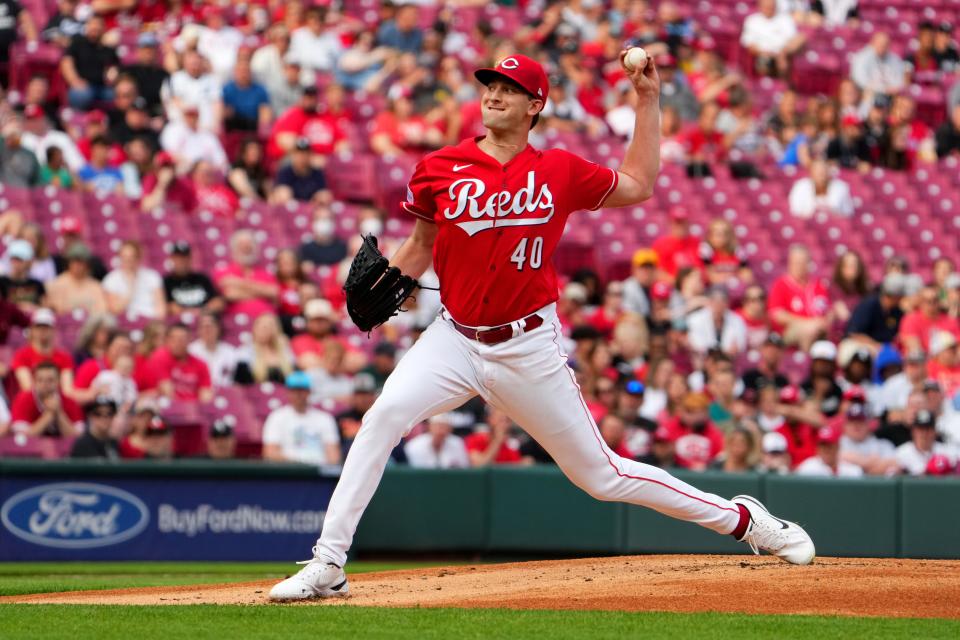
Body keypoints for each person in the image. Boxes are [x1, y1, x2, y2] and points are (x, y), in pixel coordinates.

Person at [269, 52, 813, 602]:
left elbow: (640, 183)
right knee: (381, 417)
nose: (493, 94)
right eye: (489, 85)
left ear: (535, 105)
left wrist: (647, 101)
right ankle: (328, 562)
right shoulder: (439, 166)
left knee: (602, 477)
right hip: (453, 339)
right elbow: (420, 247)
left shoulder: (558, 169)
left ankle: (744, 520)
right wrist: (387, 282)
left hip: (527, 345)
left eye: (508, 87)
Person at [262, 371, 341, 465]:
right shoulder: (276, 417)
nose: (298, 394)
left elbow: (333, 456)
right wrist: (299, 463)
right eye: (294, 390)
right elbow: (270, 453)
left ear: (309, 392)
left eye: (302, 390)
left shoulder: (325, 419)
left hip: (318, 474)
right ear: (288, 392)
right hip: (288, 472)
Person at [767, 245, 831, 350]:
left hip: (818, 329)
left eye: (803, 262)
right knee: (808, 331)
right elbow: (777, 314)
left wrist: (824, 322)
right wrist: (808, 323)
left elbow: (826, 310)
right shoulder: (781, 284)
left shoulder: (818, 285)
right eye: (796, 262)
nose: (799, 266)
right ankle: (805, 363)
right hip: (789, 331)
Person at [213, 230, 279, 320]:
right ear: (233, 249)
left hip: (267, 320)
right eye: (242, 245)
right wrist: (263, 292)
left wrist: (238, 283)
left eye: (249, 245)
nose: (246, 248)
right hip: (237, 322)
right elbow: (230, 294)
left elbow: (274, 292)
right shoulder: (223, 271)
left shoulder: (266, 273)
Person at [9, 361, 83, 438]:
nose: (44, 384)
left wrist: (59, 412)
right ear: (34, 381)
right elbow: (24, 437)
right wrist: (49, 414)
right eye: (40, 380)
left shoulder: (70, 402)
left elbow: (76, 437)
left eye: (50, 380)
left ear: (58, 381)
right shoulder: (22, 400)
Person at [60, 16, 118, 110]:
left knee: (118, 96)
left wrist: (113, 75)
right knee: (81, 95)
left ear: (104, 29)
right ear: (87, 26)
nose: (95, 27)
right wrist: (74, 81)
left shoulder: (108, 49)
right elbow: (66, 62)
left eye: (99, 25)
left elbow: (115, 67)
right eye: (93, 24)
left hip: (102, 87)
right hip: (82, 85)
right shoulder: (78, 41)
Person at [145, 323, 213, 402]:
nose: (177, 343)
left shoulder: (201, 364)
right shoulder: (160, 357)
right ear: (167, 340)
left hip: (195, 409)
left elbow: (206, 394)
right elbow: (167, 391)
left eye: (182, 339)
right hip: (168, 407)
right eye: (174, 339)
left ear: (190, 339)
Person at [11, 307, 74, 393]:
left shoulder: (64, 357)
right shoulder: (22, 355)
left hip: (57, 400)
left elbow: (67, 389)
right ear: (32, 329)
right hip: (32, 401)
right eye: (39, 327)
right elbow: (27, 387)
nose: (42, 331)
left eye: (46, 327)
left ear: (53, 330)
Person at [740, 0, 805, 77]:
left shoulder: (785, 19)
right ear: (760, 6)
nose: (769, 8)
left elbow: (793, 39)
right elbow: (749, 44)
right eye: (767, 6)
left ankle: (785, 84)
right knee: (764, 60)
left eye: (771, 6)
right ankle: (765, 84)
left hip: (784, 53)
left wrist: (782, 53)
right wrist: (770, 54)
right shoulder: (752, 20)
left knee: (801, 38)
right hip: (764, 54)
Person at [103, 240, 165, 320]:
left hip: (150, 322)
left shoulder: (152, 277)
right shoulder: (111, 279)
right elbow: (115, 309)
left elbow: (161, 310)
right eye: (124, 257)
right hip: (124, 323)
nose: (128, 261)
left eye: (131, 257)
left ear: (139, 258)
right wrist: (131, 287)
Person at [845, 272, 905, 350]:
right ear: (894, 296)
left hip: (882, 348)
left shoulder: (897, 311)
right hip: (861, 345)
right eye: (900, 297)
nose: (902, 299)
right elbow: (853, 334)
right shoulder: (869, 305)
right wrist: (878, 346)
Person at [45, 243, 108, 315]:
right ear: (68, 263)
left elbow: (102, 310)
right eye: (74, 261)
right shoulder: (57, 283)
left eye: (80, 262)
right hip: (66, 323)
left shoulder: (95, 286)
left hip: (91, 323)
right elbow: (57, 310)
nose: (77, 265)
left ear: (87, 264)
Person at [163, 242, 224, 314]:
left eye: (185, 257)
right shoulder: (166, 282)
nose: (182, 261)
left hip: (204, 317)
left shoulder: (202, 278)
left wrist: (202, 311)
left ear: (190, 259)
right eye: (178, 258)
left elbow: (218, 301)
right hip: (180, 322)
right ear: (172, 259)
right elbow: (168, 307)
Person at [839, 403, 898, 475]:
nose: (856, 426)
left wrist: (857, 462)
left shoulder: (883, 444)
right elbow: (835, 458)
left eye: (860, 421)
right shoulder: (837, 444)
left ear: (868, 424)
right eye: (852, 422)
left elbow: (894, 464)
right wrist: (868, 462)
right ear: (845, 425)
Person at [899, 286, 960, 354]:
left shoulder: (950, 321)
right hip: (922, 361)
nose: (932, 304)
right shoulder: (910, 320)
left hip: (948, 361)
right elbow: (914, 348)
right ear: (920, 302)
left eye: (935, 300)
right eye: (928, 301)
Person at [895, 409, 954, 476]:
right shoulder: (902, 453)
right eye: (920, 429)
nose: (924, 434)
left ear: (935, 431)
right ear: (913, 431)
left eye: (928, 429)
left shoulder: (945, 452)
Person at [788, 159, 854, 218]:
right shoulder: (800, 186)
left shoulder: (841, 187)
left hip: (834, 223)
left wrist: (832, 213)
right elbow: (795, 211)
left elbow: (848, 212)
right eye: (818, 172)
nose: (822, 174)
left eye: (824, 171)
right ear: (811, 172)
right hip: (808, 224)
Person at [270, 138, 329, 205]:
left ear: (310, 155)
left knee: (324, 196)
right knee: (283, 193)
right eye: (299, 153)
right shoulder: (285, 172)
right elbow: (280, 193)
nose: (302, 157)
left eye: (305, 153)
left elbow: (323, 192)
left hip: (312, 208)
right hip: (291, 208)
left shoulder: (317, 172)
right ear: (293, 155)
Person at [188, 312, 240, 388]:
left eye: (210, 326)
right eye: (203, 327)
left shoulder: (231, 352)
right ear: (198, 330)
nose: (207, 330)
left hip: (226, 393)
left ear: (218, 328)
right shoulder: (190, 351)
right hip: (198, 393)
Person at [850, 32, 908, 98]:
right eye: (879, 44)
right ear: (872, 43)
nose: (882, 47)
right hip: (869, 94)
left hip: (890, 95)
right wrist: (883, 89)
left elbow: (900, 80)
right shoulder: (862, 58)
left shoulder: (894, 59)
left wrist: (893, 88)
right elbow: (860, 80)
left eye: (885, 44)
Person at [404, 413, 470, 469]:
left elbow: (463, 466)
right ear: (429, 427)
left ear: (450, 429)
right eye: (438, 426)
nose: (441, 430)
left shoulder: (457, 443)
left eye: (444, 427)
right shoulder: (414, 445)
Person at [795, 424, 864, 477]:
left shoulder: (851, 470)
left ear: (837, 446)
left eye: (829, 446)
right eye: (823, 446)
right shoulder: (808, 468)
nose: (826, 450)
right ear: (818, 448)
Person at [0, 239, 45, 312]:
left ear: (29, 261)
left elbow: (44, 306)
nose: (15, 263)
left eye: (19, 260)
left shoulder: (37, 284)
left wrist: (34, 308)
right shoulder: (2, 282)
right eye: (13, 259)